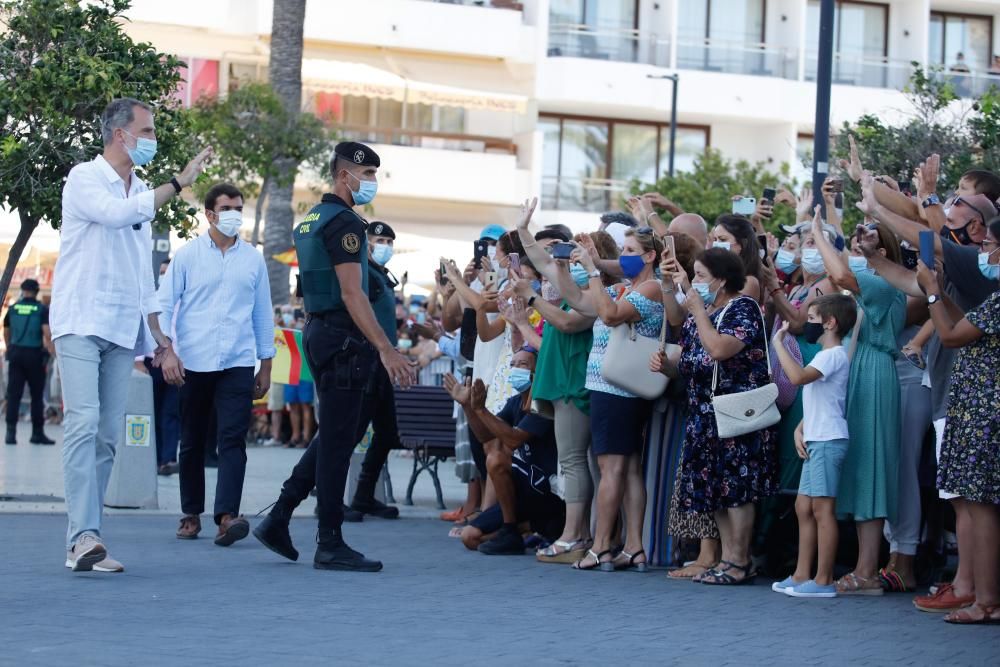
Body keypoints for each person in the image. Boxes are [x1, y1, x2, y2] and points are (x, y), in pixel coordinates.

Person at [52, 97, 210, 573]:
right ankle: (81, 537)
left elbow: (143, 273)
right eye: (147, 130)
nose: (152, 139)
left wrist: (159, 338)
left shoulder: (139, 186)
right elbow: (117, 215)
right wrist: (179, 183)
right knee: (82, 424)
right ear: (121, 134)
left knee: (105, 437)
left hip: (122, 328)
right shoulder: (84, 178)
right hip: (80, 321)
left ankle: (88, 537)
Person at [253, 142, 415, 573]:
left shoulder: (311, 220)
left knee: (336, 436)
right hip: (345, 339)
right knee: (338, 444)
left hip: (323, 333)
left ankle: (280, 516)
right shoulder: (345, 223)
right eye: (367, 175)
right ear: (345, 175)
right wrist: (386, 349)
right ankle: (329, 540)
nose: (371, 183)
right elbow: (351, 292)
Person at [159, 182, 275, 545]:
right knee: (191, 440)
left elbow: (262, 313)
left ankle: (226, 515)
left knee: (233, 439)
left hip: (238, 361)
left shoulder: (253, 258)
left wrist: (266, 363)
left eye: (239, 208)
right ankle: (190, 513)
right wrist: (167, 351)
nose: (235, 215)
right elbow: (163, 305)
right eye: (228, 208)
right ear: (209, 213)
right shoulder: (187, 256)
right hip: (193, 360)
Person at [657, 248, 778, 585]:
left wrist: (697, 310)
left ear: (722, 279)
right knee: (717, 490)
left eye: (701, 276)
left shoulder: (743, 308)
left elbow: (720, 350)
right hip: (703, 414)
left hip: (736, 412)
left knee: (738, 489)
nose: (695, 283)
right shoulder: (706, 311)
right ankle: (727, 559)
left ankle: (740, 560)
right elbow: (693, 360)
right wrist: (670, 365)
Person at [809, 206, 906, 596]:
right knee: (861, 468)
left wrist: (817, 232)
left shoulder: (883, 282)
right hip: (860, 370)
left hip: (875, 374)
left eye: (871, 238)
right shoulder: (871, 279)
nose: (863, 241)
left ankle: (868, 572)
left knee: (871, 468)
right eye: (860, 237)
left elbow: (840, 275)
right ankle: (864, 567)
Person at [558, 227, 664, 572]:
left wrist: (592, 269)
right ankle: (634, 546)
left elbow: (609, 315)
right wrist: (564, 266)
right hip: (614, 387)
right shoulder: (625, 287)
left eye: (631, 249)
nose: (624, 256)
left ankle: (601, 544)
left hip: (616, 388)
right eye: (623, 249)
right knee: (630, 468)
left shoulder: (650, 287)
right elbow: (582, 302)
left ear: (650, 256)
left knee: (611, 469)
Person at [916, 253, 1000, 624]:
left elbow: (950, 335)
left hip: (985, 416)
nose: (986, 252)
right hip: (975, 415)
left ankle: (987, 601)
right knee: (975, 506)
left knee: (981, 509)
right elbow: (964, 320)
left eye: (992, 243)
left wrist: (933, 293)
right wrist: (939, 292)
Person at [771, 295, 857, 598]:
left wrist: (779, 343)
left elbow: (797, 378)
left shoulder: (832, 355)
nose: (807, 324)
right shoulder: (827, 354)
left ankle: (823, 580)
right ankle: (801, 573)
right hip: (816, 437)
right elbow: (821, 399)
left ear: (830, 323)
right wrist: (801, 427)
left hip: (828, 440)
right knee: (803, 507)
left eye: (812, 318)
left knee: (822, 510)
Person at [444, 349, 564, 555]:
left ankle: (517, 529)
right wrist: (468, 406)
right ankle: (517, 530)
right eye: (513, 364)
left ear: (538, 369)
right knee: (469, 537)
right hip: (521, 493)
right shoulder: (515, 402)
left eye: (523, 365)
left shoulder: (544, 402)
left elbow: (513, 439)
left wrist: (481, 410)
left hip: (548, 494)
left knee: (497, 459)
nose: (515, 370)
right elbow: (486, 437)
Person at [344, 220, 404, 521]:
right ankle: (326, 496)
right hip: (367, 359)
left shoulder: (381, 274)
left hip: (384, 363)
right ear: (365, 242)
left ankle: (364, 496)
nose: (385, 247)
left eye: (390, 242)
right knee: (350, 432)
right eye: (379, 241)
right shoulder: (361, 273)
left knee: (388, 433)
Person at [4, 278, 56, 445]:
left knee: (13, 395)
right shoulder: (41, 309)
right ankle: (37, 433)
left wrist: (10, 347)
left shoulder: (12, 309)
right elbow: (47, 333)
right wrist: (51, 351)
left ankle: (10, 434)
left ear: (22, 290)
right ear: (36, 291)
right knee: (36, 395)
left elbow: (6, 331)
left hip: (15, 354)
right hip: (34, 356)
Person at [148, 259, 180, 474]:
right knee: (152, 413)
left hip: (177, 362)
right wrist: (139, 361)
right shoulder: (152, 299)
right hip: (153, 362)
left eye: (167, 272)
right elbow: (143, 327)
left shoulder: (184, 300)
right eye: (161, 272)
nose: (164, 275)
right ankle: (154, 458)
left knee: (171, 413)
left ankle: (168, 459)